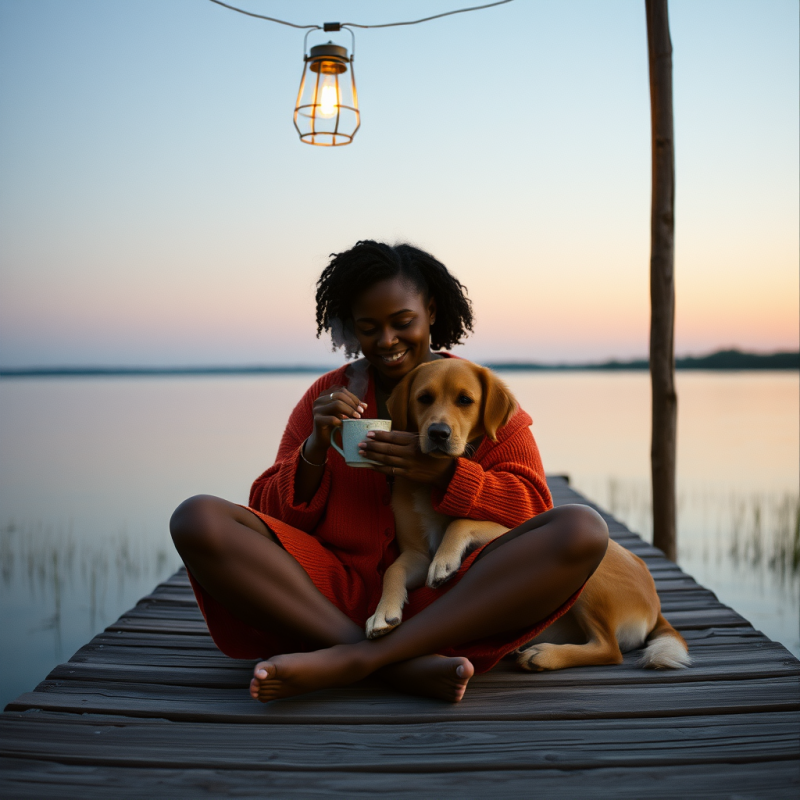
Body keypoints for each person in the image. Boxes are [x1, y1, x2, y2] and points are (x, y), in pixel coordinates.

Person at [170, 240, 608, 703]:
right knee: (196, 519)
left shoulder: (476, 393)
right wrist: (316, 447)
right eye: (368, 327)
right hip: (327, 593)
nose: (386, 341)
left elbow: (531, 512)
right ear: (350, 329)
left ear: (432, 311)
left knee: (581, 529)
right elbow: (272, 517)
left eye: (402, 323)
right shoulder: (328, 395)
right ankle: (396, 663)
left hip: (446, 600)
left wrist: (444, 474)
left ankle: (353, 659)